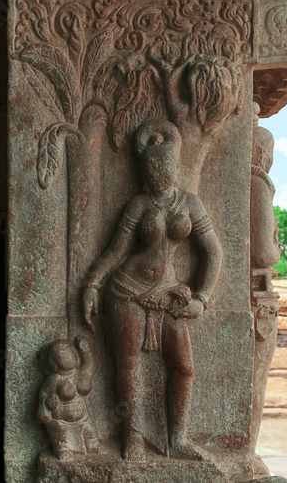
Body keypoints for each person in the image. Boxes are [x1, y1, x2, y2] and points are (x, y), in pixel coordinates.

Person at [83, 119, 222, 462]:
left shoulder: (190, 204)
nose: (161, 171)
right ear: (145, 168)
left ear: (177, 166)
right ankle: (133, 435)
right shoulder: (139, 205)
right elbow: (115, 253)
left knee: (184, 367)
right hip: (127, 291)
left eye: (167, 165)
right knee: (128, 363)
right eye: (154, 165)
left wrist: (202, 298)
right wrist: (92, 284)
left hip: (170, 293)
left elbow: (214, 253)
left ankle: (178, 439)